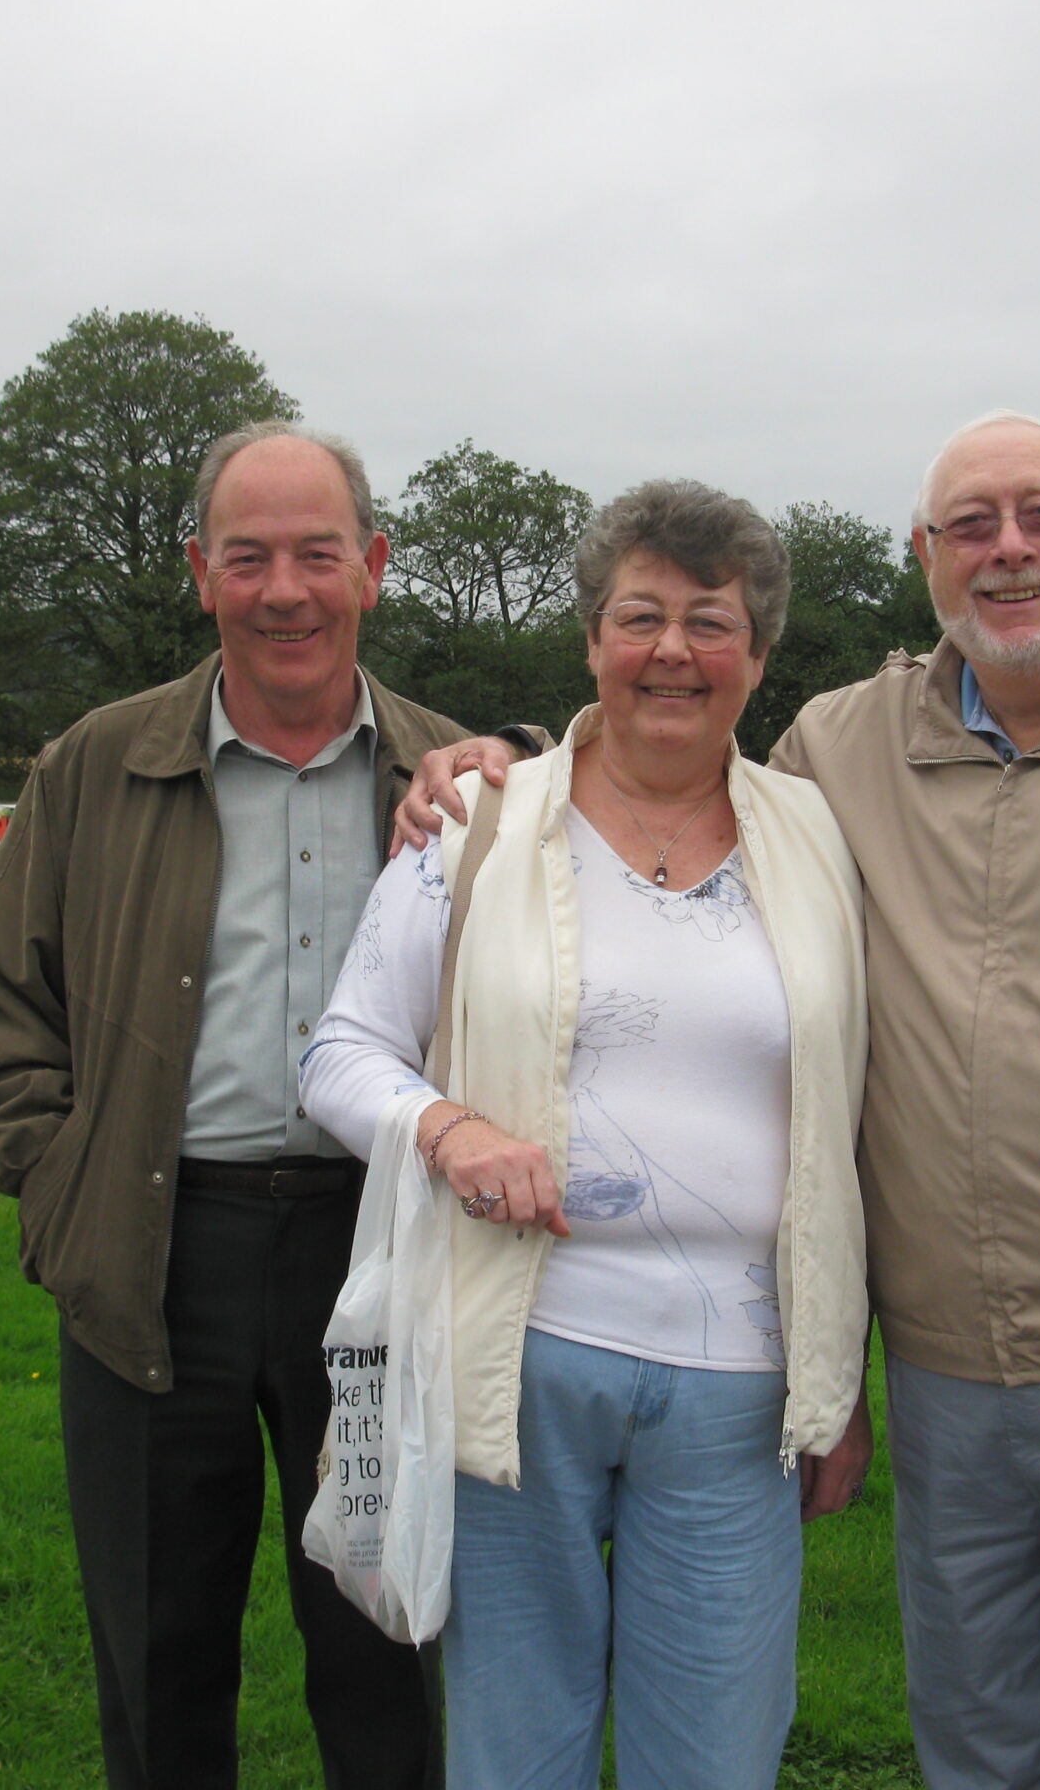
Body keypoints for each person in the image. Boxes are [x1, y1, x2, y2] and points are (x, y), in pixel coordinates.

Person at [398, 412, 1040, 1789]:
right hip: (945, 1374)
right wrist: (510, 752)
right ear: (926, 556)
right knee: (983, 1741)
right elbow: (670, 755)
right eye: (970, 527)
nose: (1010, 552)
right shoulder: (846, 746)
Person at [0, 423, 542, 1790]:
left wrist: (514, 741)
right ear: (199, 571)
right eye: (248, 556)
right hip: (155, 1257)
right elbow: (0, 1011)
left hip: (382, 1256)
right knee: (160, 1658)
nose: (285, 590)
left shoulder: (464, 784)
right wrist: (64, 1189)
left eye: (317, 555)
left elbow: (623, 774)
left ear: (373, 568)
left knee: (383, 1642)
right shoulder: (96, 766)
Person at [299, 480, 873, 1790]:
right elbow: (340, 1055)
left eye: (710, 622)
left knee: (716, 1757)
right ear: (592, 640)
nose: (672, 651)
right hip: (517, 1372)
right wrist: (446, 1129)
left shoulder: (818, 836)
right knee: (517, 1749)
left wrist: (840, 1384)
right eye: (639, 616)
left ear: (758, 656)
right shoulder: (478, 824)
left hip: (739, 1389)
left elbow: (850, 1118)